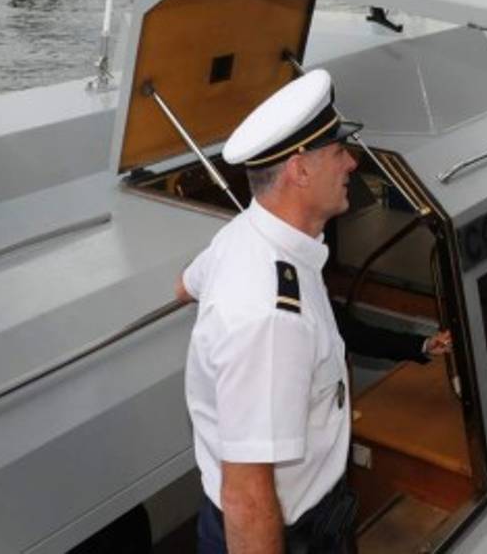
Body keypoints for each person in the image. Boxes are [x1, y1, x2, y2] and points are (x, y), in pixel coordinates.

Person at [175, 69, 447, 553]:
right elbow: (246, 497)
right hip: (283, 531)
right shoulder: (270, 319)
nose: (351, 162)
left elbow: (185, 286)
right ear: (300, 170)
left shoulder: (245, 234)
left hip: (310, 508)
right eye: (339, 151)